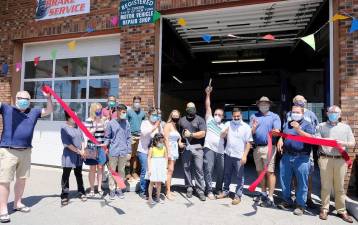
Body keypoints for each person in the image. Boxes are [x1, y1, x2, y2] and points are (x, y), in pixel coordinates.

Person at [0, 90, 53, 223]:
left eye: (26, 99)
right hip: (8, 151)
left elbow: (49, 111)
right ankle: (3, 210)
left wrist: (48, 98)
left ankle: (17, 203)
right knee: (4, 181)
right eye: (20, 98)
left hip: (26, 151)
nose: (23, 100)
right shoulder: (6, 109)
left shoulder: (33, 112)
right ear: (15, 99)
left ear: (30, 101)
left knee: (22, 179)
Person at [316, 105, 355, 223]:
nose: (333, 114)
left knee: (339, 187)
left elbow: (352, 143)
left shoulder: (346, 127)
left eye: (336, 112)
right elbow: (316, 139)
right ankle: (324, 208)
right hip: (325, 158)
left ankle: (342, 210)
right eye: (331, 112)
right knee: (325, 186)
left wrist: (342, 143)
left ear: (340, 114)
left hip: (340, 160)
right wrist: (326, 141)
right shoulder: (321, 126)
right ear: (327, 113)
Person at [277, 105, 315, 216]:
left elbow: (312, 139)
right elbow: (284, 134)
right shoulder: (288, 123)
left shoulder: (307, 124)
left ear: (302, 113)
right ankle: (287, 200)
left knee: (302, 183)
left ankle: (300, 205)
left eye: (297, 112)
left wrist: (298, 129)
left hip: (302, 158)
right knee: (285, 180)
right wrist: (280, 139)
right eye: (293, 112)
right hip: (287, 156)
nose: (295, 114)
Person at [287, 95, 319, 207]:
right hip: (292, 150)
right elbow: (286, 129)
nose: (299, 102)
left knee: (307, 174)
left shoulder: (311, 114)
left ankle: (308, 198)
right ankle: (297, 196)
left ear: (305, 102)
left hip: (306, 151)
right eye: (296, 101)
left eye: (301, 100)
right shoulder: (289, 114)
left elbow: (315, 132)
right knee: (295, 174)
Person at [250, 96, 281, 207]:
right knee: (260, 171)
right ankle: (263, 192)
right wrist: (253, 127)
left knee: (270, 172)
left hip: (269, 147)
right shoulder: (254, 116)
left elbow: (277, 131)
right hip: (257, 148)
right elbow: (251, 132)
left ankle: (271, 196)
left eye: (265, 104)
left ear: (269, 104)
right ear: (258, 105)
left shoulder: (274, 116)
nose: (263, 106)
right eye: (261, 104)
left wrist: (275, 132)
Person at [217, 108, 252, 205]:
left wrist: (245, 156)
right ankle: (225, 191)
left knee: (239, 177)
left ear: (241, 116)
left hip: (239, 156)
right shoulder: (228, 124)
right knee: (227, 174)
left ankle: (238, 195)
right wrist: (225, 132)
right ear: (232, 116)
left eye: (238, 116)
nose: (236, 118)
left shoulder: (246, 127)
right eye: (234, 116)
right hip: (228, 154)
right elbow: (222, 135)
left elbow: (249, 142)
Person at [178, 102, 207, 201]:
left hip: (197, 147)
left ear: (195, 109)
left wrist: (191, 135)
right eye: (189, 108)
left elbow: (203, 133)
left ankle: (200, 190)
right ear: (186, 109)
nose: (191, 109)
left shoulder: (200, 120)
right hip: (186, 147)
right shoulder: (181, 120)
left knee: (199, 169)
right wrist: (179, 142)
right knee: (186, 168)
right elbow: (178, 134)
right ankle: (189, 187)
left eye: (193, 108)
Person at [104, 104, 131, 200]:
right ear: (118, 112)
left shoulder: (127, 123)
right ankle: (112, 189)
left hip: (123, 151)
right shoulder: (111, 123)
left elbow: (128, 138)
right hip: (113, 151)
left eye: (125, 112)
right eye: (123, 112)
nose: (124, 114)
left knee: (121, 171)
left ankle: (119, 189)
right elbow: (107, 137)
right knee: (112, 171)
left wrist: (129, 151)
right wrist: (105, 145)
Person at [203, 86, 226, 200]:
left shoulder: (224, 126)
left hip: (220, 151)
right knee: (208, 169)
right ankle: (209, 190)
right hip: (209, 149)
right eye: (216, 114)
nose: (217, 116)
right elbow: (208, 106)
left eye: (219, 115)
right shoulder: (210, 120)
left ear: (223, 117)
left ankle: (218, 189)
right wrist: (208, 94)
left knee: (221, 171)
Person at [60, 110, 87, 206]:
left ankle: (81, 191)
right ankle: (64, 194)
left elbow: (82, 139)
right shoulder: (64, 128)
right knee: (66, 175)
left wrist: (83, 150)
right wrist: (79, 151)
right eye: (74, 116)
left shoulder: (77, 126)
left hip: (79, 156)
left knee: (78, 174)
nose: (76, 118)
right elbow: (67, 144)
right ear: (68, 117)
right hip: (69, 156)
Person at [137, 107, 162, 199]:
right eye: (154, 115)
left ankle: (151, 190)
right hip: (143, 150)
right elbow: (144, 133)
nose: (155, 117)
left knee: (153, 171)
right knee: (145, 170)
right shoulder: (145, 123)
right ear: (149, 115)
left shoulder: (158, 125)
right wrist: (154, 127)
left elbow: (161, 137)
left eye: (156, 115)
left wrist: (159, 127)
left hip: (154, 152)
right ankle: (143, 191)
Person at [84, 103, 107, 198]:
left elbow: (105, 134)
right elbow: (87, 134)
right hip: (91, 146)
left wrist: (103, 123)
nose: (99, 111)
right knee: (92, 168)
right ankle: (92, 189)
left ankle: (100, 188)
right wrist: (95, 126)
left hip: (101, 146)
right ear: (93, 110)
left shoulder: (103, 120)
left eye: (100, 109)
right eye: (98, 109)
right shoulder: (89, 120)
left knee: (101, 168)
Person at [163, 109, 183, 200]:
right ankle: (167, 192)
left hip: (174, 149)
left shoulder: (175, 126)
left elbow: (178, 138)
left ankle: (168, 189)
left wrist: (180, 143)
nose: (175, 117)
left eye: (177, 116)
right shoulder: (168, 125)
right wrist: (168, 152)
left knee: (170, 170)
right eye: (173, 116)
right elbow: (166, 139)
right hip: (169, 149)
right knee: (169, 170)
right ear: (171, 116)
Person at [126, 96, 146, 181]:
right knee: (128, 156)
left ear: (140, 103)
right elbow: (126, 124)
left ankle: (134, 172)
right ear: (133, 102)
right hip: (131, 136)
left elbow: (144, 124)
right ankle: (127, 174)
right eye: (135, 102)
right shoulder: (129, 112)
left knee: (135, 156)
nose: (137, 103)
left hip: (140, 137)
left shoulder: (143, 113)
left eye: (138, 102)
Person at [147, 133, 168, 205]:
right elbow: (149, 158)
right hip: (153, 166)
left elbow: (166, 157)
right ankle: (150, 198)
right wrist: (149, 169)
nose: (161, 143)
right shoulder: (152, 148)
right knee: (152, 182)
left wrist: (166, 167)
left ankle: (158, 198)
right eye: (160, 142)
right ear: (156, 141)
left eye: (162, 142)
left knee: (159, 183)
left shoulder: (164, 148)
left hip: (161, 166)